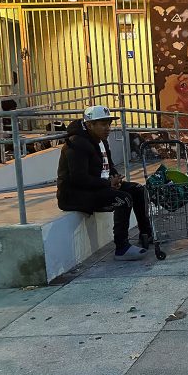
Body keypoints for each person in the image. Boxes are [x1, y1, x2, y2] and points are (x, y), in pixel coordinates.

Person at [56, 105, 151, 261]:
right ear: (89, 125)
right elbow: (78, 179)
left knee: (138, 189)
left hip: (98, 187)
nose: (108, 128)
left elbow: (109, 166)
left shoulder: (101, 141)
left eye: (109, 123)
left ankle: (146, 234)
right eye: (103, 124)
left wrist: (115, 178)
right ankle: (121, 248)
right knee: (124, 199)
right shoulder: (76, 144)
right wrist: (108, 184)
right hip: (76, 195)